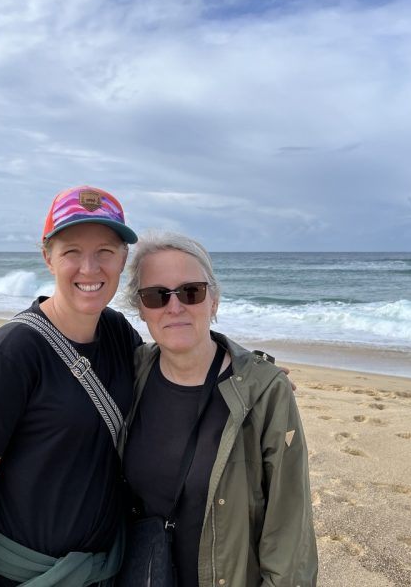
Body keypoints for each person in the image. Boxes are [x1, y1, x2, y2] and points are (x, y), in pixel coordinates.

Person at [0, 186, 142, 586]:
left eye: (105, 251)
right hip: (18, 577)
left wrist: (243, 365)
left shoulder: (119, 333)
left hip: (101, 572)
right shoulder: (13, 352)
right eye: (71, 252)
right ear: (48, 257)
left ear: (123, 259)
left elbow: (178, 364)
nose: (90, 268)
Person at [119, 231, 318, 587]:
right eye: (156, 296)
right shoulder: (130, 373)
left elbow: (290, 530)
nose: (174, 307)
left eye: (191, 291)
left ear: (214, 300)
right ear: (140, 308)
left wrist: (261, 374)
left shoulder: (264, 392)